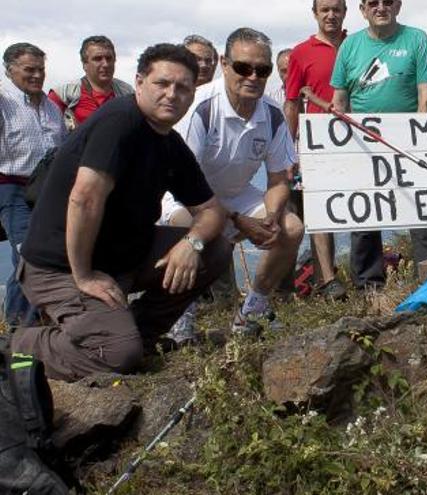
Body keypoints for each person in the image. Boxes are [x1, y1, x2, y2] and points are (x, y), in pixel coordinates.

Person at [10, 44, 231, 382]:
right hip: (61, 267)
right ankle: (21, 345)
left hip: (124, 261)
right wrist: (83, 275)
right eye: (162, 83)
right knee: (117, 355)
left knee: (215, 250)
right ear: (140, 82)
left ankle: (134, 337)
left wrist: (192, 244)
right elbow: (85, 198)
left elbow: (212, 211)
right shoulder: (120, 121)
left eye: (183, 87)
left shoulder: (168, 143)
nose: (172, 94)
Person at [164, 28, 304, 337]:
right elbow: (185, 184)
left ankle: (253, 308)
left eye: (262, 70)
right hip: (187, 197)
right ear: (225, 64)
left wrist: (270, 217)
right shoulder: (200, 107)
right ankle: (179, 311)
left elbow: (279, 178)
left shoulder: (272, 114)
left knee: (291, 228)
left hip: (236, 193)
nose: (253, 76)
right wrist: (239, 221)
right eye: (243, 67)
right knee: (188, 225)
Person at [330, 0, 427, 289]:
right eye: (373, 3)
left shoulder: (416, 39)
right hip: (363, 145)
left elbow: (426, 95)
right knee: (364, 214)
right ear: (363, 9)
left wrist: (420, 138)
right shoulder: (350, 46)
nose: (381, 7)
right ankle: (368, 286)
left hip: (409, 142)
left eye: (387, 2)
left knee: (421, 209)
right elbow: (340, 101)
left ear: (398, 6)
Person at [284, 0, 349, 299]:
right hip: (318, 143)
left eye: (336, 8)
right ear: (315, 14)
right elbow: (292, 102)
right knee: (321, 209)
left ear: (345, 11)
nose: (331, 15)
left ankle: (365, 273)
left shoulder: (358, 44)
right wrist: (288, 150)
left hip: (357, 141)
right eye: (325, 9)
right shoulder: (301, 52)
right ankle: (327, 278)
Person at [0, 43, 66, 326]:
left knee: (43, 258)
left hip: (47, 190)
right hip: (12, 187)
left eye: (41, 69)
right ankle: (19, 332)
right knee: (29, 258)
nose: (37, 75)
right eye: (30, 70)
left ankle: (27, 329)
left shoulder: (52, 108)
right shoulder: (4, 102)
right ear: (10, 70)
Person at [48, 35, 134, 130]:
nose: (105, 64)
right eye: (98, 59)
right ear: (84, 64)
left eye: (109, 58)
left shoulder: (128, 93)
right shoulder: (62, 95)